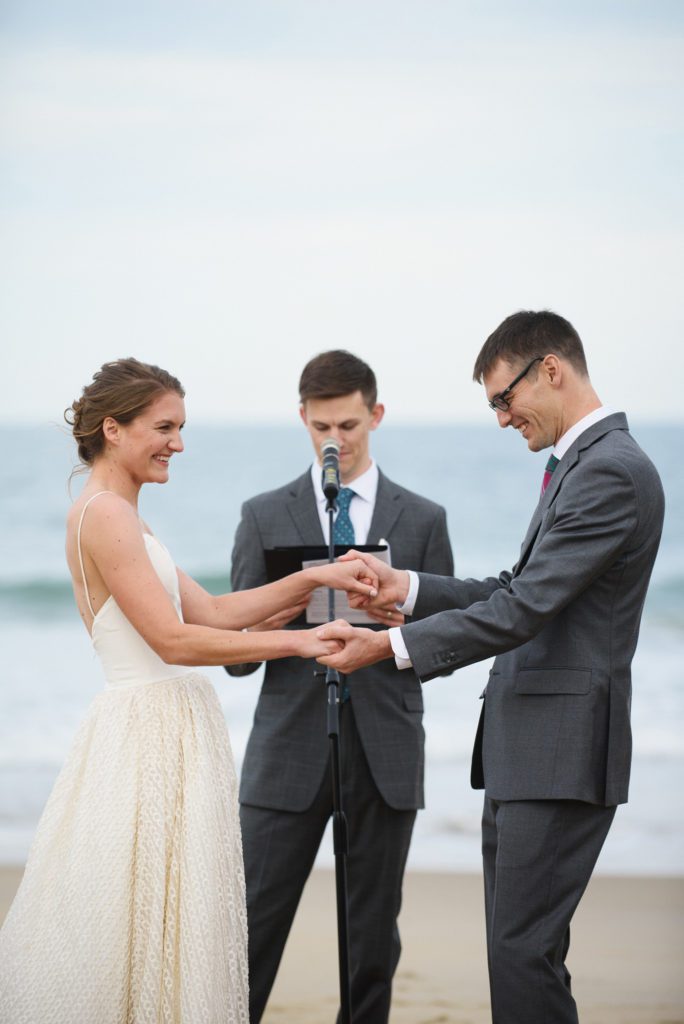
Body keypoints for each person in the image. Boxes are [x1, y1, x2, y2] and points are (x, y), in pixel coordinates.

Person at [0, 357, 379, 1024]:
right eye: (165, 427)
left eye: (181, 427)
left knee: (166, 918)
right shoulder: (105, 515)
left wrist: (320, 579)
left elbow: (217, 613)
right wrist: (301, 641)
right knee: (136, 923)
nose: (179, 443)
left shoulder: (124, 516)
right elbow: (175, 642)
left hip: (167, 732)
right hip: (145, 735)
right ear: (113, 429)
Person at [316, 312, 665, 1024]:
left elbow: (525, 609)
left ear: (552, 370)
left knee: (521, 955)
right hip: (528, 750)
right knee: (520, 953)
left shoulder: (612, 473)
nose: (502, 418)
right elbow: (516, 587)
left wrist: (387, 647)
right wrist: (404, 589)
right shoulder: (577, 465)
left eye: (504, 399)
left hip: (561, 752)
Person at [225, 350, 454, 1023]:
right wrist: (281, 613)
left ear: (375, 416)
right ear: (302, 419)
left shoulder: (425, 518)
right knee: (249, 935)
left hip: (385, 753)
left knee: (371, 947)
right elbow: (236, 656)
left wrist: (398, 625)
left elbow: (453, 640)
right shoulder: (264, 515)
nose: (336, 440)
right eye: (322, 426)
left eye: (349, 425)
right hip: (287, 754)